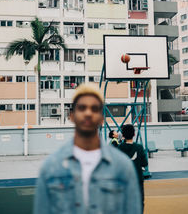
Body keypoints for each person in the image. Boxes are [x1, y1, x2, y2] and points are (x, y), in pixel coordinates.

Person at [34, 84, 142, 214]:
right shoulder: (50, 168)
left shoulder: (123, 166)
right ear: (71, 116)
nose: (88, 113)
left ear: (102, 118)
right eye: (82, 108)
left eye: (94, 108)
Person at [118, 124, 148, 213]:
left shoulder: (120, 148)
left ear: (123, 135)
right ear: (134, 134)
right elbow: (144, 163)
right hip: (137, 179)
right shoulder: (139, 147)